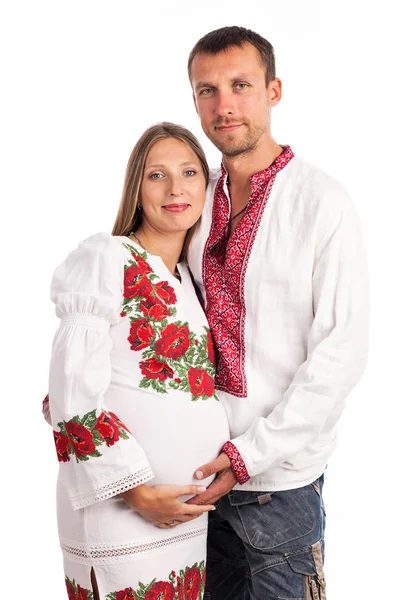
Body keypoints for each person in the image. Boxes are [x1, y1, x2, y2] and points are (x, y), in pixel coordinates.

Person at [184, 26, 369, 599]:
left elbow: (341, 352)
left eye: (240, 84)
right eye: (206, 90)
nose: (224, 104)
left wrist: (247, 456)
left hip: (279, 490)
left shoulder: (321, 201)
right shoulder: (193, 200)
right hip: (193, 484)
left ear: (274, 90)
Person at [44, 122, 230, 600]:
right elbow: (68, 394)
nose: (175, 189)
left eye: (190, 172)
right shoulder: (107, 257)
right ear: (136, 188)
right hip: (122, 515)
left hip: (184, 524)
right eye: (157, 175)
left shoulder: (189, 279)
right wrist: (135, 492)